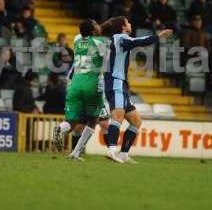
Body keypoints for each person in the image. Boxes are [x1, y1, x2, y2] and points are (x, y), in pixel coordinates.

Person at [104, 16, 172, 163]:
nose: (130, 24)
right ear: (122, 26)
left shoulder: (117, 39)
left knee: (136, 121)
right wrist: (157, 36)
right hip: (116, 83)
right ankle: (111, 151)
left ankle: (123, 154)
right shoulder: (119, 37)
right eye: (128, 22)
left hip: (121, 84)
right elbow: (138, 41)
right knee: (117, 117)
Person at [53, 19, 107, 160]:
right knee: (93, 120)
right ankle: (76, 152)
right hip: (91, 85)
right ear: (92, 31)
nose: (98, 26)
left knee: (71, 122)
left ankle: (60, 129)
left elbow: (87, 32)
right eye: (96, 24)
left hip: (75, 84)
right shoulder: (100, 43)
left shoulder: (77, 41)